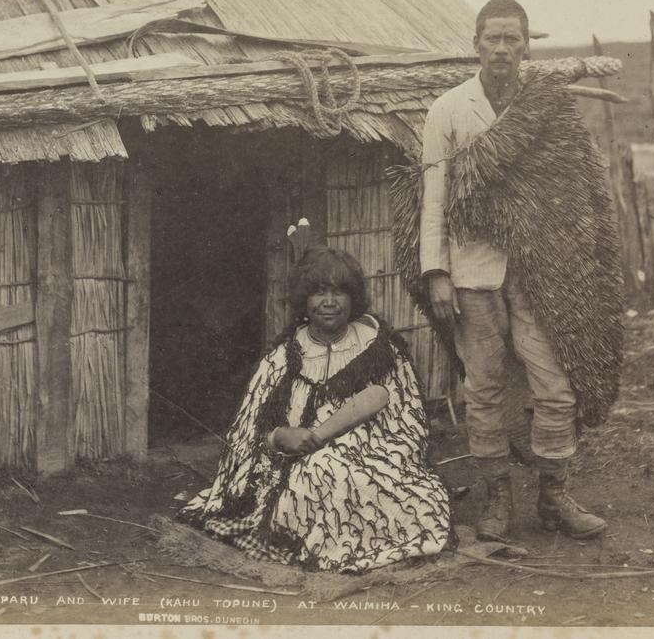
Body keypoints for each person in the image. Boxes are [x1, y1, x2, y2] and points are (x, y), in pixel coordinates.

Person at [419, 0, 618, 541]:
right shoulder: (450, 110)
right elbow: (433, 195)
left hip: (539, 274)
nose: (502, 49)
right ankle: (497, 501)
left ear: (526, 45)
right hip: (473, 274)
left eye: (512, 39)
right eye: (492, 39)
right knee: (483, 389)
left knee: (556, 388)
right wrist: (436, 271)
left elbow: (569, 188)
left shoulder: (544, 107)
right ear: (476, 44)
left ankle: (554, 497)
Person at [177, 243, 451, 573]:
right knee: (313, 474)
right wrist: (279, 436)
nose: (329, 302)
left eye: (339, 292)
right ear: (304, 300)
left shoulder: (381, 350)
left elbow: (409, 423)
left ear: (354, 298)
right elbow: (247, 431)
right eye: (319, 292)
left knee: (345, 474)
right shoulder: (283, 357)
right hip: (291, 461)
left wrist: (359, 448)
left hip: (376, 456)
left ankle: (336, 551)